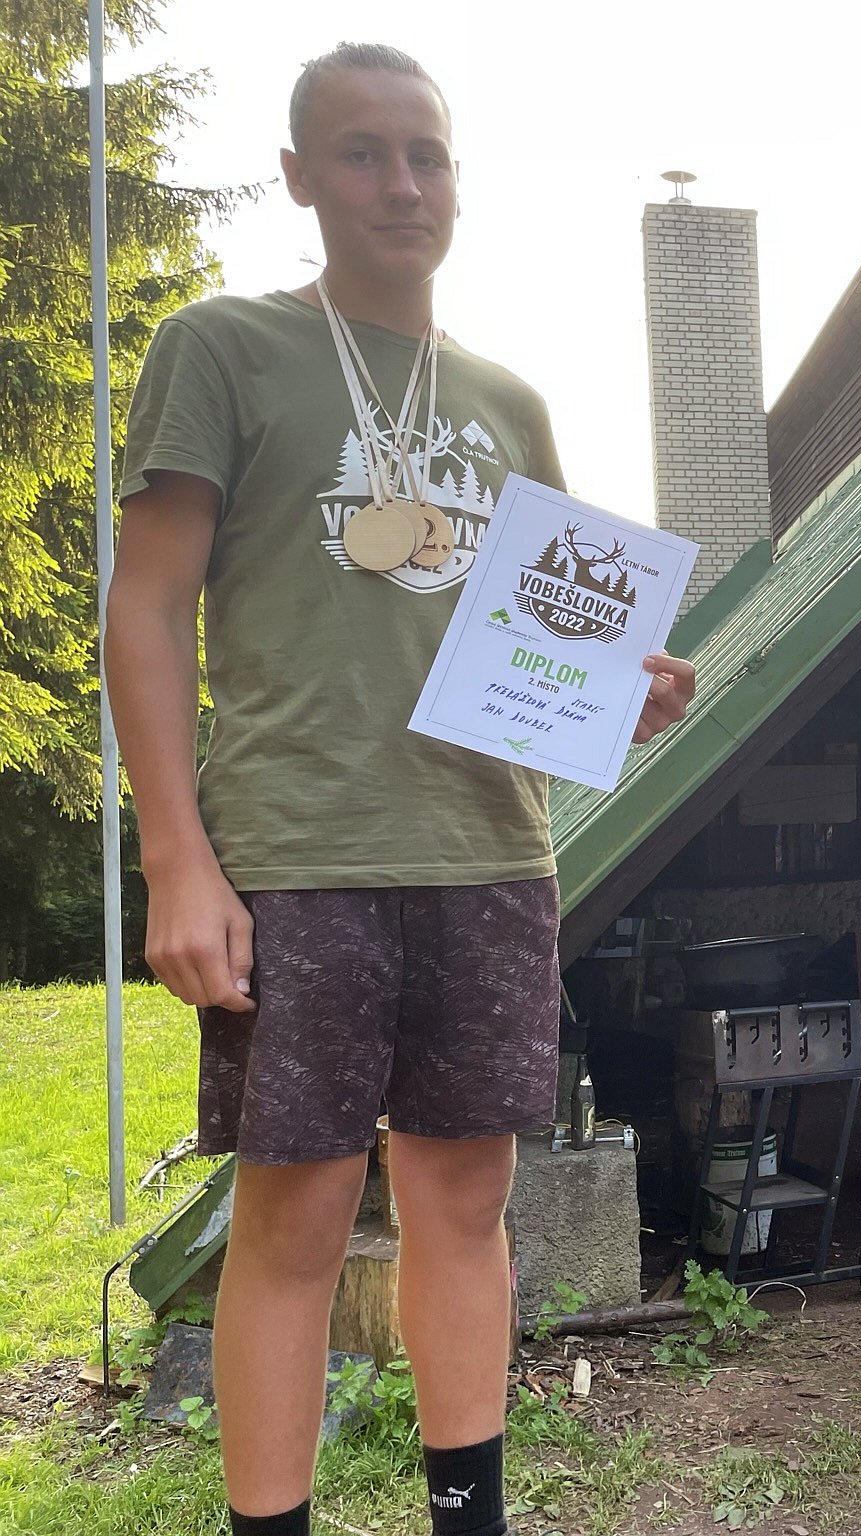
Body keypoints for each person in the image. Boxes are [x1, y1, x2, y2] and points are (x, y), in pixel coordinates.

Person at [104, 46, 696, 1536]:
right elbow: (146, 606)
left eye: (425, 154)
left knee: (466, 1208)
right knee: (295, 1216)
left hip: (487, 849)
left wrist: (615, 694)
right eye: (362, 153)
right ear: (299, 176)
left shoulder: (508, 401)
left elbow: (544, 641)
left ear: (457, 181)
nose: (400, 183)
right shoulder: (222, 348)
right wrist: (176, 859)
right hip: (297, 854)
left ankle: (467, 1518)